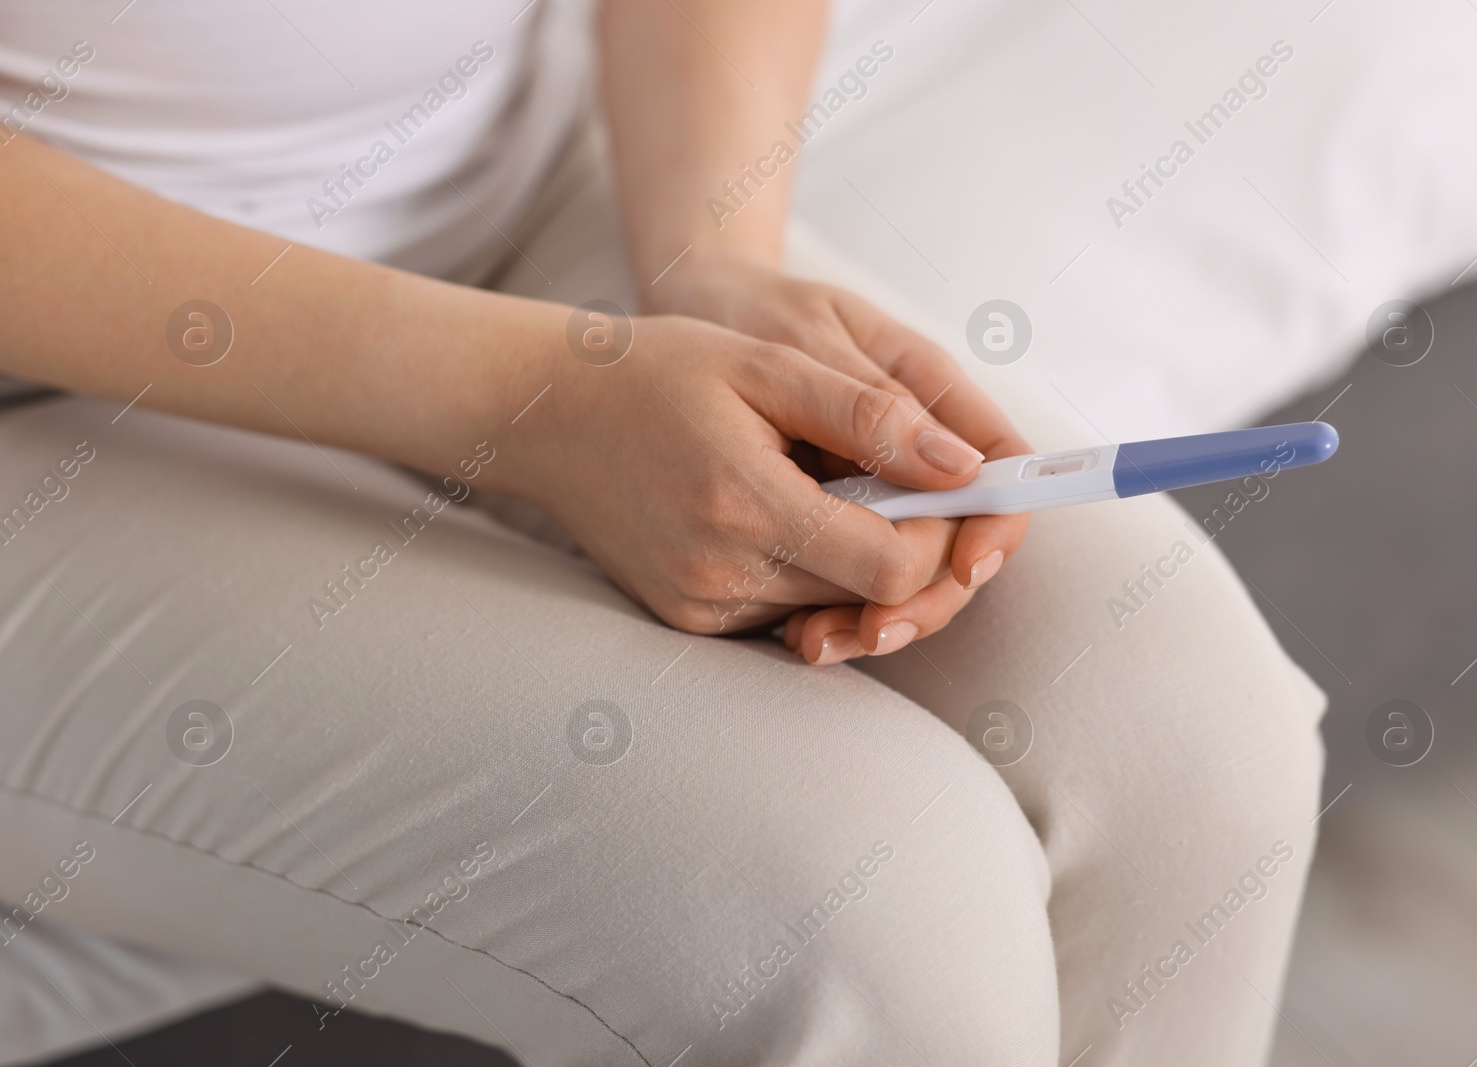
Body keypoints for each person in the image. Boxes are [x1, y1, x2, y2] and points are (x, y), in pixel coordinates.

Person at [0, 1, 1325, 1064]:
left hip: (502, 192)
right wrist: (530, 401)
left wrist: (718, 260)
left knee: (1199, 747)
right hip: (47, 385)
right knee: (874, 920)